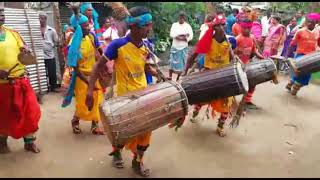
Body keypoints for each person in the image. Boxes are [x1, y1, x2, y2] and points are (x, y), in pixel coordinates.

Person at [85, 6, 163, 177]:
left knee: (145, 131)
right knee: (122, 132)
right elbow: (98, 66)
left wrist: (158, 74)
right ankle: (117, 152)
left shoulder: (147, 45)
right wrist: (90, 91)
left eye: (150, 25)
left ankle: (137, 161)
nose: (150, 29)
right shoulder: (118, 45)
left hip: (144, 96)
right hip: (124, 99)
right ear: (134, 27)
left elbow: (146, 67)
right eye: (146, 26)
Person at [182, 14, 237, 137]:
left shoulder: (231, 41)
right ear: (214, 28)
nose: (222, 27)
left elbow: (232, 58)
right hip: (209, 75)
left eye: (224, 25)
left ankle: (220, 126)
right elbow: (193, 55)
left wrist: (235, 65)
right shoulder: (207, 40)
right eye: (219, 25)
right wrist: (185, 71)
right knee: (201, 99)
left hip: (224, 76)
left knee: (226, 104)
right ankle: (195, 113)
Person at [0, 4, 41, 154]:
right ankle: (2, 143)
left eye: (2, 12)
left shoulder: (14, 33)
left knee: (29, 112)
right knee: (4, 116)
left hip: (20, 80)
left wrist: (26, 50)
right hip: (2, 86)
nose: (1, 15)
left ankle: (29, 142)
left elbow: (24, 50)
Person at [61, 12, 105, 135]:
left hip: (93, 73)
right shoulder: (73, 44)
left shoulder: (91, 36)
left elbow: (99, 49)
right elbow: (75, 68)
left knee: (97, 99)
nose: (89, 27)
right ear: (78, 28)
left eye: (88, 25)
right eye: (85, 26)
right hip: (81, 77)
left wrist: (104, 63)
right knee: (83, 102)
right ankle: (75, 121)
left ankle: (95, 125)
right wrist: (88, 81)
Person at [285, 13, 320, 96]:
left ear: (316, 23)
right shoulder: (300, 31)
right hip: (300, 55)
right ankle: (293, 90)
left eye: (312, 22)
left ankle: (291, 85)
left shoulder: (317, 32)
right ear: (306, 22)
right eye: (308, 22)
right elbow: (292, 44)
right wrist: (286, 55)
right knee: (298, 73)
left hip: (312, 57)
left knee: (306, 77)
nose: (310, 23)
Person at [235, 19, 264, 109]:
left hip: (247, 65)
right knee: (234, 85)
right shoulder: (237, 39)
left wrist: (262, 58)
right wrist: (238, 62)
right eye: (244, 28)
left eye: (248, 28)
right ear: (241, 28)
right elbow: (232, 53)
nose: (246, 30)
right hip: (236, 66)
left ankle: (247, 101)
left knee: (252, 83)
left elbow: (254, 50)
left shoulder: (252, 38)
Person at [169, 11, 193, 81]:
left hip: (183, 47)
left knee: (182, 63)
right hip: (175, 46)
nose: (181, 19)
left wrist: (185, 38)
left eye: (183, 18)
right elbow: (172, 34)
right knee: (172, 63)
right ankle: (170, 77)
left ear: (184, 18)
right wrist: (179, 36)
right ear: (178, 18)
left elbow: (190, 35)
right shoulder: (174, 25)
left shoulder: (187, 26)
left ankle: (178, 78)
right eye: (180, 18)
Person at [39, 11, 60, 93]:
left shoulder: (51, 30)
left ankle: (53, 87)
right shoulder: (35, 29)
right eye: (39, 18)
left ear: (45, 19)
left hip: (50, 55)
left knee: (52, 72)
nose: (41, 20)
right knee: (42, 72)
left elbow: (56, 41)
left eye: (42, 18)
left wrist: (51, 46)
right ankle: (44, 87)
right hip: (40, 55)